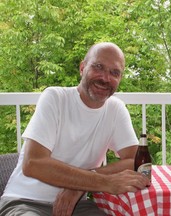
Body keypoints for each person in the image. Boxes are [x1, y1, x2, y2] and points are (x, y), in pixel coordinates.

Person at [0, 42, 150, 216]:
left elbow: (134, 160)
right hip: (24, 201)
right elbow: (33, 163)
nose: (105, 78)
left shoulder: (116, 109)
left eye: (114, 73)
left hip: (78, 206)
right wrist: (104, 182)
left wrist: (78, 187)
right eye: (98, 67)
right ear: (82, 68)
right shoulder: (55, 98)